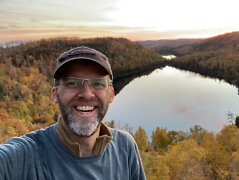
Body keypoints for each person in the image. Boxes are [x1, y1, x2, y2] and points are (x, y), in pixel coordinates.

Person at [0, 46, 146, 179]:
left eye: (98, 84)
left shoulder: (125, 147)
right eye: (72, 83)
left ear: (111, 95)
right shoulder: (24, 157)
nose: (87, 94)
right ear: (55, 94)